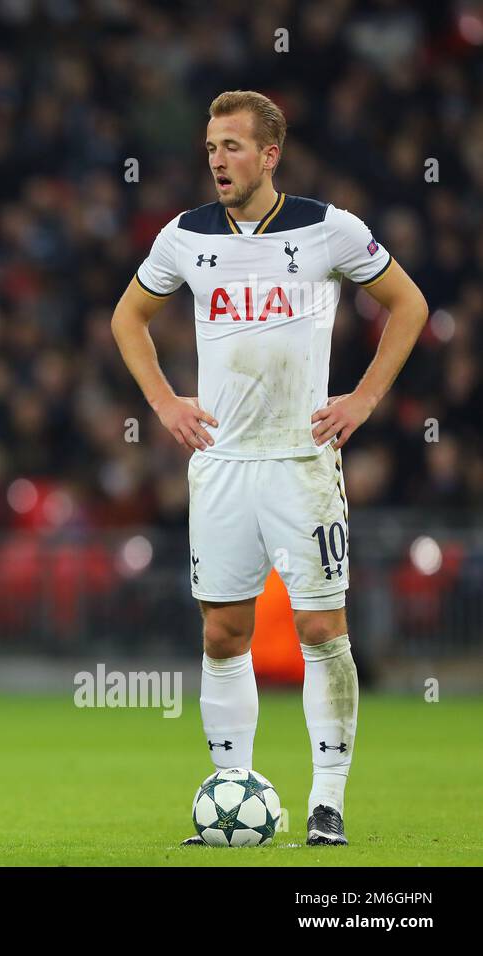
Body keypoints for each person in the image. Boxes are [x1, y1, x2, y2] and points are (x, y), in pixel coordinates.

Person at [111, 91, 429, 846]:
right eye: (211, 147)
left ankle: (326, 803)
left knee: (322, 627)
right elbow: (127, 318)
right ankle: (230, 788)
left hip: (302, 462)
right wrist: (163, 403)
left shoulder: (330, 228)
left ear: (269, 155)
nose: (217, 160)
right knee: (223, 633)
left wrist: (363, 398)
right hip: (220, 463)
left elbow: (409, 304)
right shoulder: (184, 237)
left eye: (231, 146)